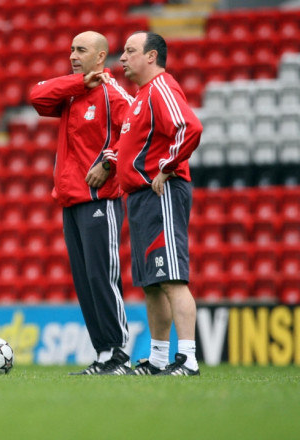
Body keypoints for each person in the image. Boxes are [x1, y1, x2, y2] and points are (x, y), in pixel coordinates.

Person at [30, 31, 135, 375]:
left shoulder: (112, 92)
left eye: (81, 50)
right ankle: (103, 354)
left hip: (98, 200)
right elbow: (37, 96)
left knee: (102, 276)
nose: (73, 54)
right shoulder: (73, 93)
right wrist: (77, 81)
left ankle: (119, 354)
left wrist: (109, 162)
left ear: (101, 55)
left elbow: (136, 130)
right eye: (71, 49)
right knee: (86, 279)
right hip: (71, 199)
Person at [116, 31, 203, 375]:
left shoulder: (161, 87)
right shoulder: (140, 96)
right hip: (139, 198)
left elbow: (189, 127)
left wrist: (166, 168)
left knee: (172, 279)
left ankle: (188, 360)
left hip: (160, 194)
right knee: (152, 284)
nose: (122, 58)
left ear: (151, 57)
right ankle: (156, 359)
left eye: (130, 51)